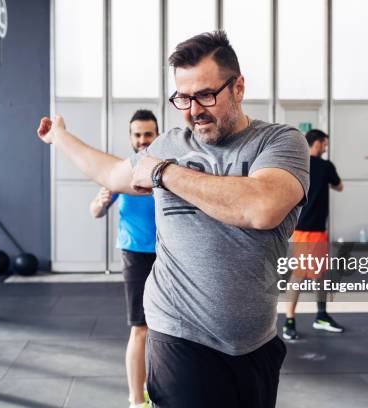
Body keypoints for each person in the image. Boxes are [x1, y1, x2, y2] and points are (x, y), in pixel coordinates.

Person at [37, 31, 309, 408]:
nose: (194, 109)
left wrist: (163, 173)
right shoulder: (169, 144)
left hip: (255, 344)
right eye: (183, 98)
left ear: (239, 87)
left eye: (205, 95)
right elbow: (113, 172)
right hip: (179, 336)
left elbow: (260, 208)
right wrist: (61, 138)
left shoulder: (278, 142)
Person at [89, 109, 159, 408]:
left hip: (170, 254)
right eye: (138, 134)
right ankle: (136, 400)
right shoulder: (122, 170)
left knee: (169, 329)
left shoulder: (167, 169)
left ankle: (160, 393)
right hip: (136, 254)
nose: (143, 140)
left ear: (157, 135)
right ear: (131, 137)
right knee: (141, 328)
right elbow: (95, 210)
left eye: (148, 134)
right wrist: (102, 202)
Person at [282, 129, 344, 340]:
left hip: (305, 229)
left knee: (318, 276)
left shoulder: (296, 164)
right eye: (324, 144)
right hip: (311, 231)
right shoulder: (326, 166)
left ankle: (320, 316)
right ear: (316, 143)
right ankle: (290, 320)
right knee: (300, 276)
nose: (325, 147)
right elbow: (340, 187)